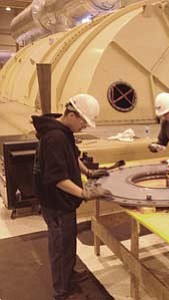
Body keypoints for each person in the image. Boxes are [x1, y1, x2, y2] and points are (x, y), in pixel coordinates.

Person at [32, 94, 111, 300]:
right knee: (60, 245)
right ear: (73, 114)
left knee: (68, 241)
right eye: (84, 121)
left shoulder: (63, 131)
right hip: (56, 203)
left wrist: (89, 173)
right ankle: (61, 290)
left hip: (65, 203)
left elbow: (73, 155)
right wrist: (85, 193)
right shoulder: (54, 138)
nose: (84, 126)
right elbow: (57, 178)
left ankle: (69, 274)